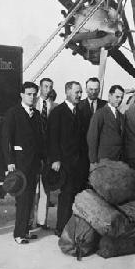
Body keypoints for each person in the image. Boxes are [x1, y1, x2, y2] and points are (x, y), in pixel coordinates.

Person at [1, 82, 44, 244]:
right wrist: (9, 162)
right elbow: (6, 140)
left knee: (30, 197)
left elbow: (40, 139)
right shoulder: (13, 113)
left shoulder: (37, 114)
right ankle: (18, 234)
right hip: (19, 164)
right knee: (22, 199)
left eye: (34, 94)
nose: (32, 97)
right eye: (29, 94)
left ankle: (25, 231)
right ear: (22, 95)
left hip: (33, 164)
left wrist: (41, 159)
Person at [48, 81, 87, 236]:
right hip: (64, 163)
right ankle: (61, 228)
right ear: (67, 92)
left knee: (76, 195)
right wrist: (55, 159)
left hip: (78, 164)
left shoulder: (80, 113)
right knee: (66, 196)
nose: (79, 95)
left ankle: (72, 227)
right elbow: (52, 138)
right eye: (77, 92)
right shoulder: (58, 112)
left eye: (80, 92)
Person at [29, 78, 57, 230]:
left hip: (48, 152)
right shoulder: (32, 105)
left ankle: (42, 221)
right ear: (40, 88)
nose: (48, 89)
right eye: (45, 86)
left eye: (50, 87)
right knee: (32, 189)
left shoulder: (55, 107)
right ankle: (29, 220)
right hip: (34, 152)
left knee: (45, 188)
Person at [87, 85, 125, 165]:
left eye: (121, 97)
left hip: (119, 159)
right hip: (104, 159)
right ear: (109, 96)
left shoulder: (121, 116)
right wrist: (93, 161)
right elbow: (92, 138)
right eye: (117, 97)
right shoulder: (100, 113)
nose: (120, 100)